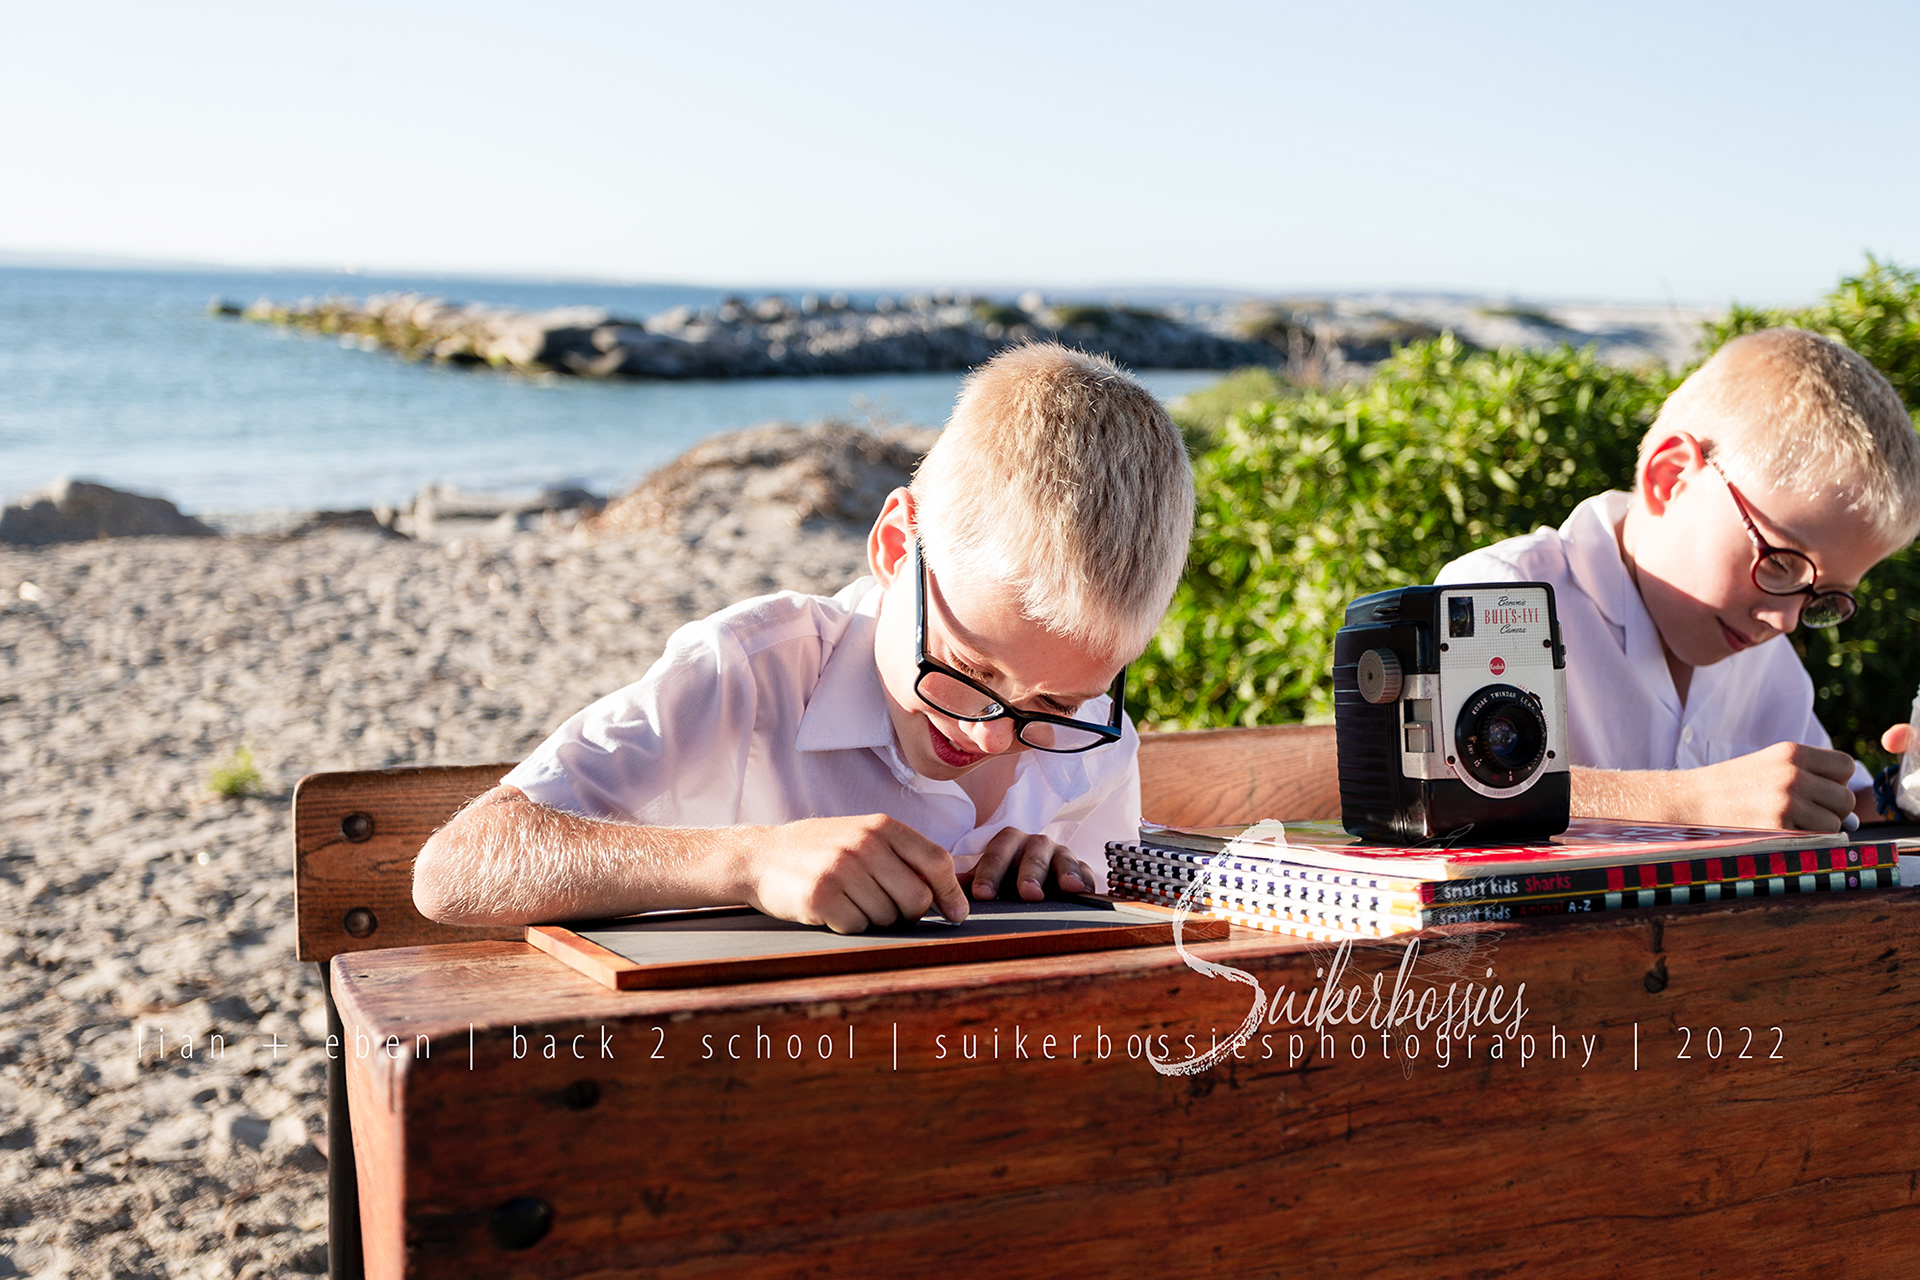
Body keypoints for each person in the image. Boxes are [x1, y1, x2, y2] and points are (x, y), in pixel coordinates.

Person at [412, 343, 1195, 932]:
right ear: (895, 548)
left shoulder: (1092, 742)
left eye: (1054, 700)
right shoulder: (751, 670)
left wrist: (1064, 886)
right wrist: (749, 860)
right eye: (968, 670)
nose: (992, 738)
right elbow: (457, 867)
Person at [1437, 327, 1920, 833]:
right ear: (1670, 478)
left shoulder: (1763, 658)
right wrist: (1686, 799)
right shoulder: (1501, 594)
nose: (1784, 620)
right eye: (1780, 562)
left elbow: (1832, 808)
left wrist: (1902, 790)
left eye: (1821, 599)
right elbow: (1423, 783)